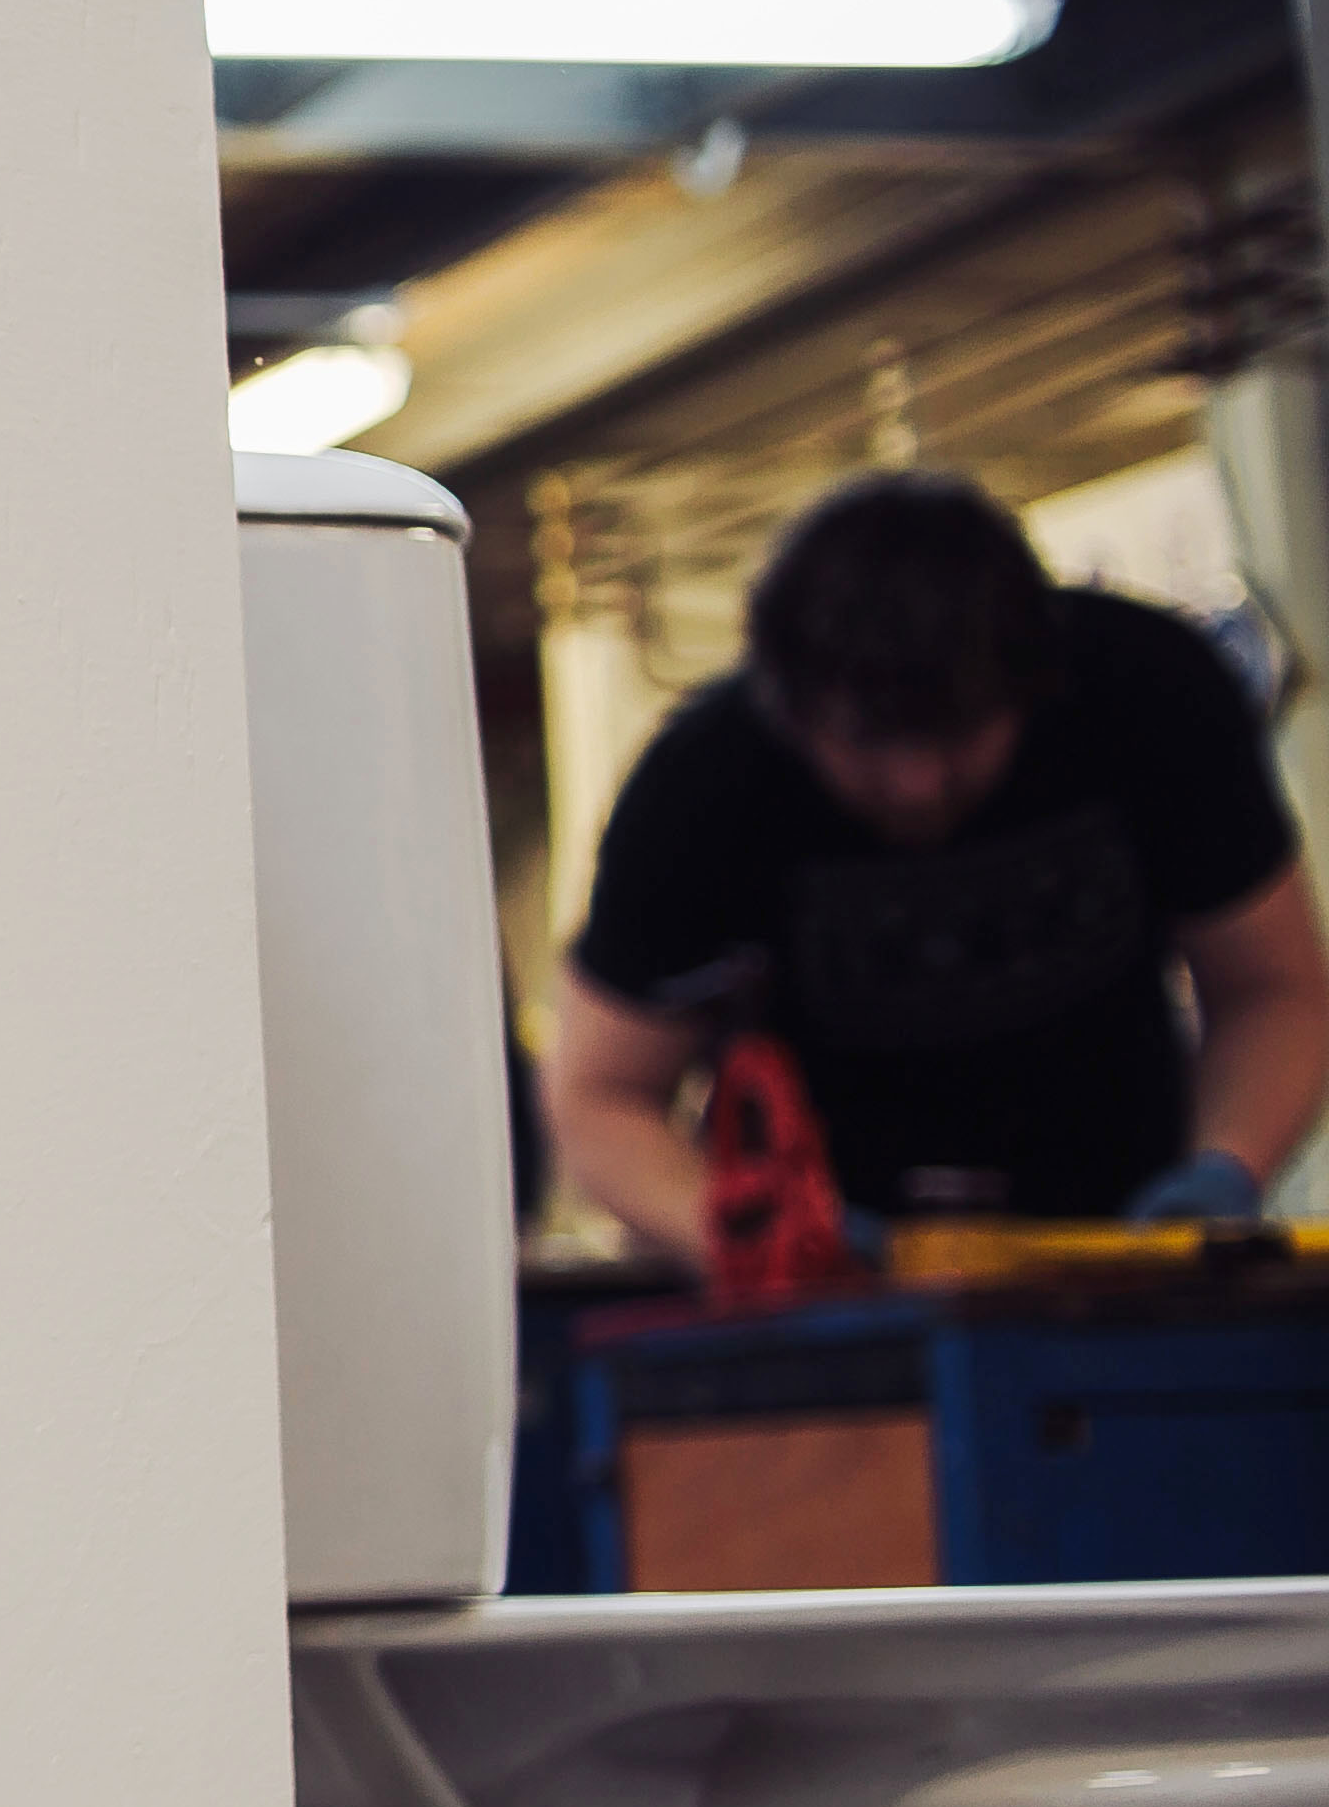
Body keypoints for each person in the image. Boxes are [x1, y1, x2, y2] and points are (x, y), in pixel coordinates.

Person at [548, 468, 1329, 1261]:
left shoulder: (1151, 694)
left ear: (1032, 689)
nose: (918, 787)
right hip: (829, 1294)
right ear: (791, 713)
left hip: (1118, 1254)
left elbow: (1272, 992)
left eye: (957, 739)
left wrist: (1221, 1173)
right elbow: (599, 1095)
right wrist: (753, 1241)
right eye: (867, 748)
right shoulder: (702, 785)